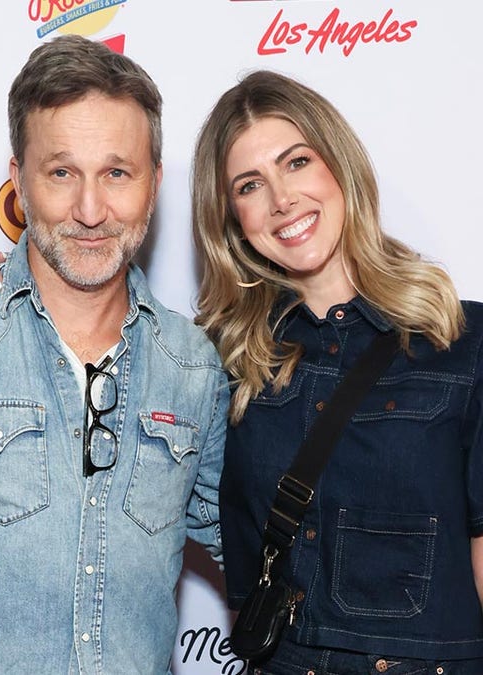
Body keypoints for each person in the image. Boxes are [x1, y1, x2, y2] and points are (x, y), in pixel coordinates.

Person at [0, 35, 228, 674]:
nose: (91, 211)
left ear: (153, 184)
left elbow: (242, 539)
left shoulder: (195, 368)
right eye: (62, 172)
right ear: (18, 182)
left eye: (117, 173)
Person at [192, 70, 483, 672]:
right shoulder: (217, 363)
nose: (281, 200)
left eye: (296, 162)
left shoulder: (464, 340)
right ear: (231, 220)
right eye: (250, 185)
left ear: (339, 165)